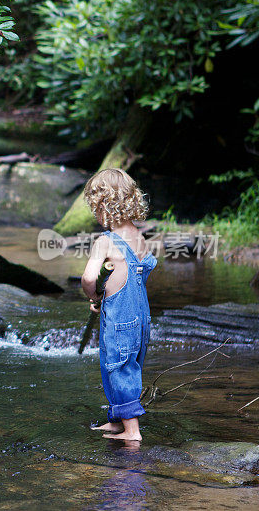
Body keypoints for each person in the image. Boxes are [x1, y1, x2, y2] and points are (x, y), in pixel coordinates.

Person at [80, 168, 157, 441]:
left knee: (118, 366)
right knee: (128, 363)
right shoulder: (139, 238)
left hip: (119, 319)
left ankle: (131, 431)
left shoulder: (105, 242)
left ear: (104, 207)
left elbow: (89, 278)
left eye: (95, 209)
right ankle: (118, 421)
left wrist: (94, 297)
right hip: (141, 319)